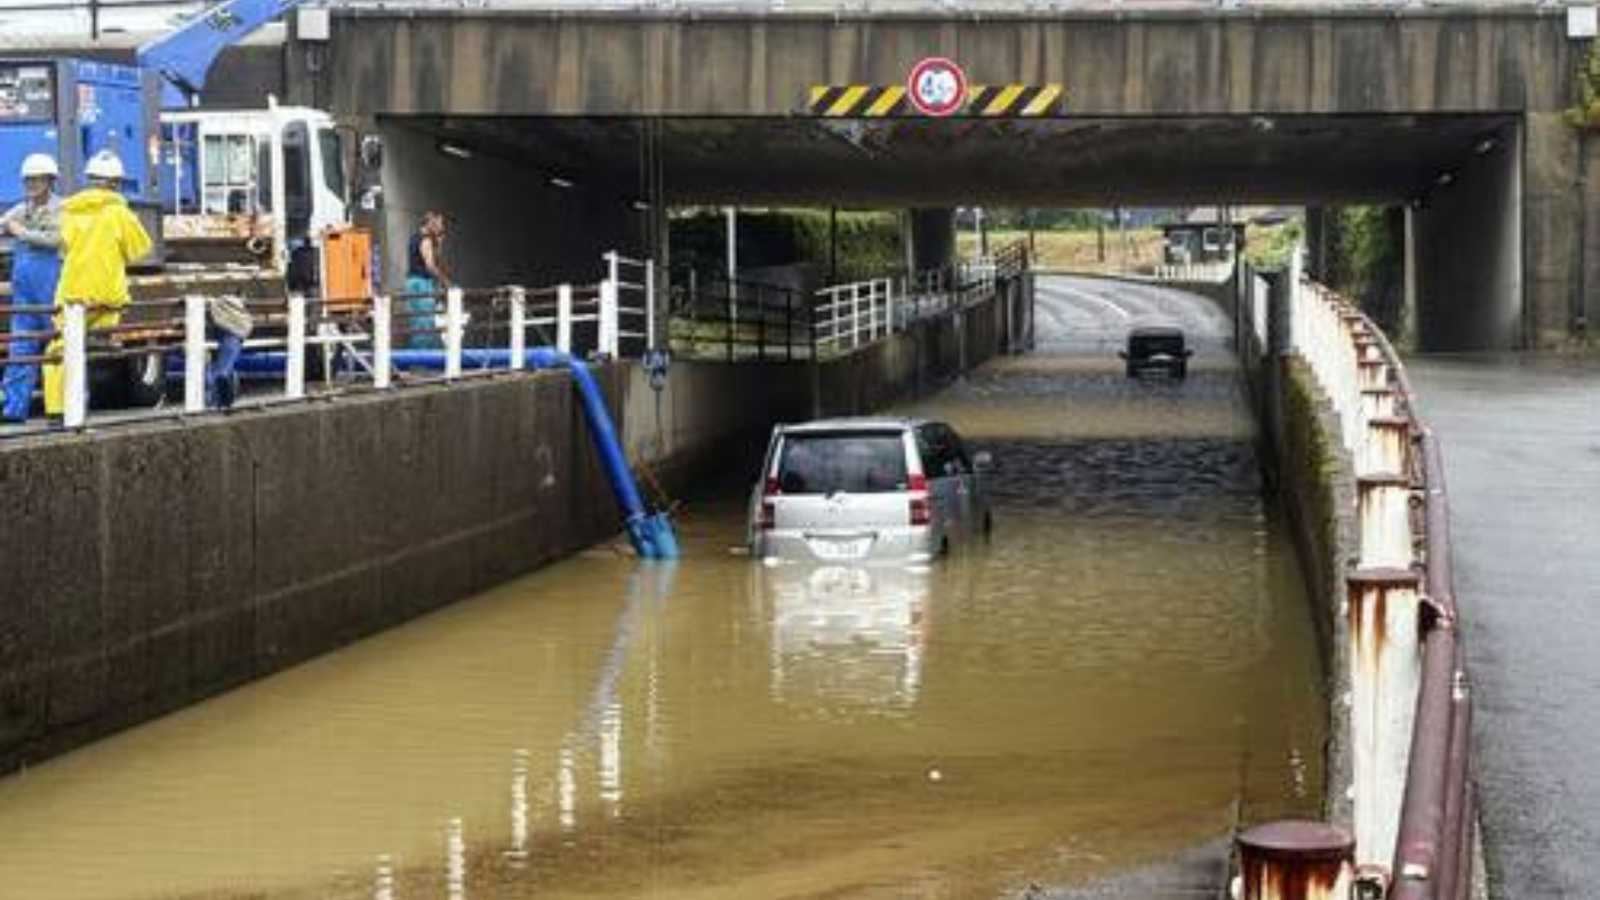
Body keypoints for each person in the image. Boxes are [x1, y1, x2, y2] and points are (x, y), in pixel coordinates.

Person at [42, 150, 153, 421]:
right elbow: (140, 250)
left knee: (58, 351)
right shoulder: (120, 214)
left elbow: (61, 247)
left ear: (89, 179)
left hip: (72, 293)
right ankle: (79, 405)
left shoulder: (69, 211)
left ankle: (57, 410)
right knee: (92, 349)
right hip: (107, 296)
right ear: (116, 183)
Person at [1, 154, 63, 422]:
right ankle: (13, 409)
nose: (31, 185)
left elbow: (56, 239)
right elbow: (4, 223)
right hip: (25, 291)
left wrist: (21, 233)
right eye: (28, 180)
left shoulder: (62, 209)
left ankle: (62, 408)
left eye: (37, 179)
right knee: (21, 347)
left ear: (50, 181)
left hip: (51, 287)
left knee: (58, 347)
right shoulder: (20, 210)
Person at [405, 210, 450, 349]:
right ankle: (422, 355)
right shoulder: (426, 240)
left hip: (412, 282)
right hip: (422, 283)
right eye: (439, 224)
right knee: (424, 322)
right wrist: (445, 281)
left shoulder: (414, 238)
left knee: (417, 321)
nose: (441, 228)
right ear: (431, 223)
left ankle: (418, 355)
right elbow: (430, 265)